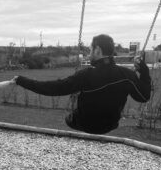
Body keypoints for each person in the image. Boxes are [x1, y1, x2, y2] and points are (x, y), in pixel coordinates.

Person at [13, 34, 151, 134]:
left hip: (84, 124)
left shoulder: (86, 75)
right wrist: (144, 72)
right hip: (110, 125)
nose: (89, 54)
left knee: (71, 116)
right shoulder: (127, 75)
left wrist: (22, 81)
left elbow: (53, 88)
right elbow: (143, 97)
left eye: (90, 50)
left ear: (98, 50)